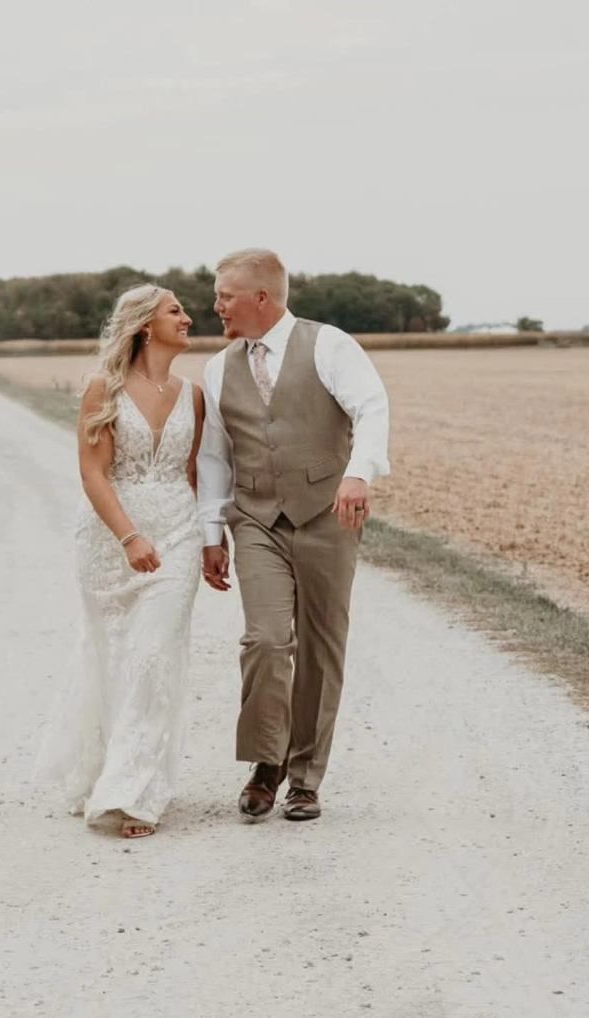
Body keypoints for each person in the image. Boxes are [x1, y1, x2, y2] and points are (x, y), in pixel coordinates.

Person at [197, 249, 390, 822]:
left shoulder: (328, 344)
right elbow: (214, 456)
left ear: (262, 297)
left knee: (321, 647)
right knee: (263, 640)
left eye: (224, 296)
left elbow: (372, 408)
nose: (216, 306)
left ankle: (305, 778)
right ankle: (266, 763)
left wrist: (359, 474)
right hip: (256, 518)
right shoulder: (217, 367)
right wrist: (213, 532)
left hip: (328, 513)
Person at [36, 284, 205, 839]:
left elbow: (192, 474)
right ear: (143, 325)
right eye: (175, 310)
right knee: (114, 658)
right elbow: (93, 474)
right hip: (112, 541)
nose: (188, 317)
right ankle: (103, 767)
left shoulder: (193, 395)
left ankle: (133, 791)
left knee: (155, 657)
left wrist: (208, 540)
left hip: (178, 533)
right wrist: (130, 537)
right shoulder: (102, 388)